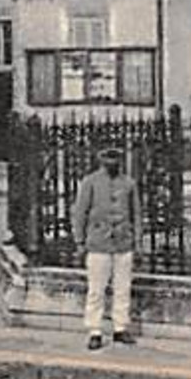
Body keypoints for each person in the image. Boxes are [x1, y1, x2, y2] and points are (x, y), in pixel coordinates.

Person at [71, 145, 142, 350]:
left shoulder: (129, 184)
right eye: (107, 159)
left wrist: (137, 241)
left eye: (115, 159)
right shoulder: (90, 182)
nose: (112, 163)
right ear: (101, 161)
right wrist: (79, 241)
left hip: (122, 242)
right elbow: (81, 212)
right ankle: (94, 330)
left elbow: (136, 214)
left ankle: (120, 327)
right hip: (98, 243)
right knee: (96, 289)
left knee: (122, 288)